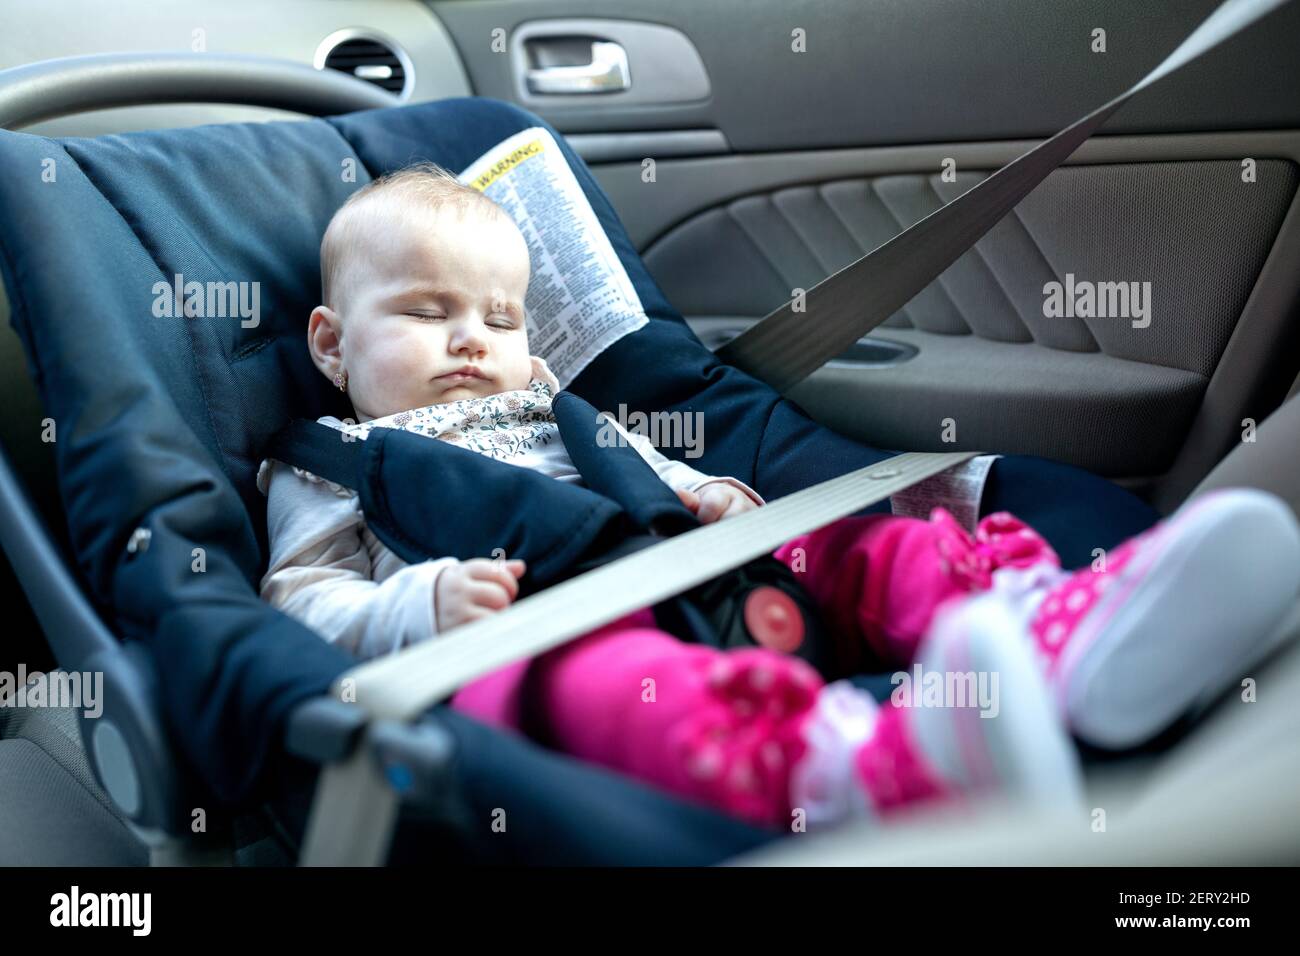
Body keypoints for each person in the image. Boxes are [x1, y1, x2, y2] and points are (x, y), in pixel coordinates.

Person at [258, 164, 1300, 830]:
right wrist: (424, 604)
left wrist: (713, 494)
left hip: (702, 570)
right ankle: (857, 764)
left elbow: (654, 475)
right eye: (427, 311)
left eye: (497, 314)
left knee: (854, 548)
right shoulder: (329, 465)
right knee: (598, 682)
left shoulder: (553, 411)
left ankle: (1058, 627)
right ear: (332, 344)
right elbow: (301, 604)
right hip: (534, 638)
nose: (472, 337)